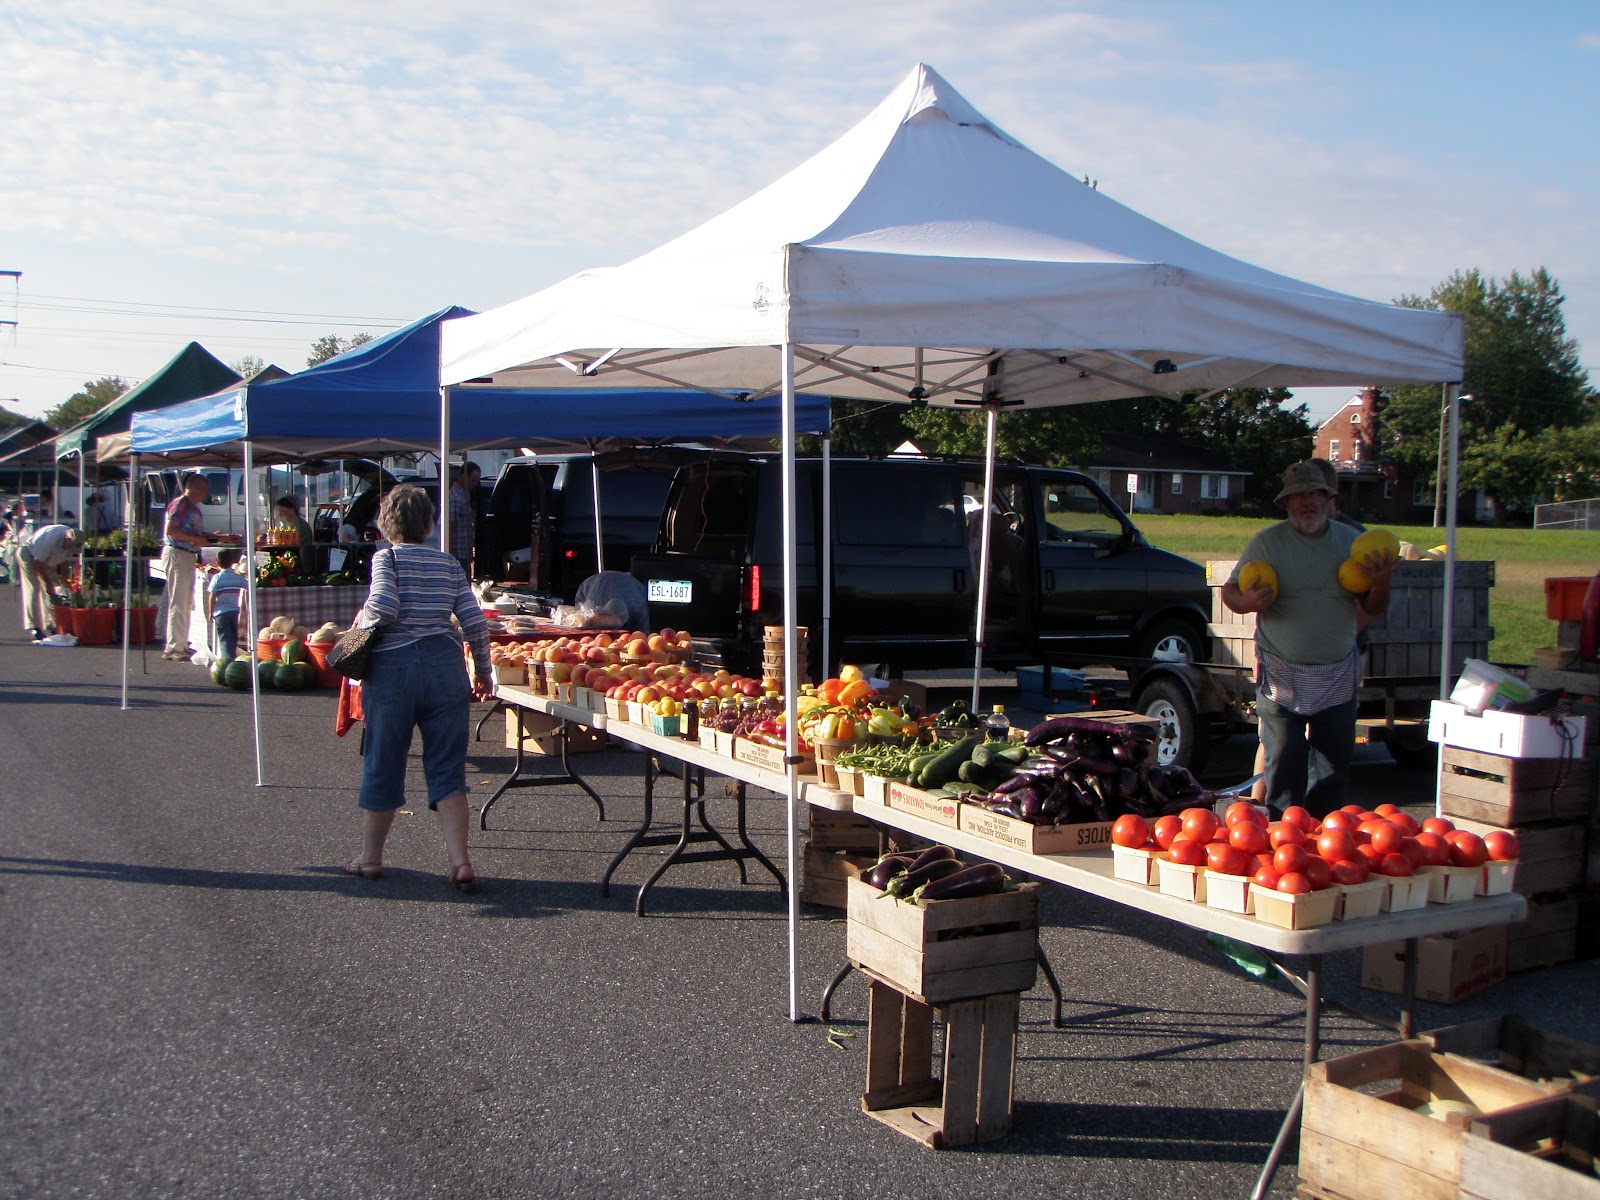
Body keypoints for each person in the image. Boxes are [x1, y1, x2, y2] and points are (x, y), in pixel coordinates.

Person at [1221, 460, 1394, 818]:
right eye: (1299, 496)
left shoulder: (1352, 543)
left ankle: (1322, 837)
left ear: (1329, 499)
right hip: (1282, 670)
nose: (1307, 503)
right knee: (1284, 756)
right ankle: (1282, 835)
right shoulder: (1268, 543)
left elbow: (1374, 606)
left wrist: (1381, 582)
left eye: (1315, 494)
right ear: (1286, 504)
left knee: (1333, 765)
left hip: (1336, 673)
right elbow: (1230, 592)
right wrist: (1247, 602)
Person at [344, 484, 493, 890]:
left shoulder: (385, 559)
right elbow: (475, 622)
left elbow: (384, 606)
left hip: (394, 668)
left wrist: (362, 622)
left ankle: (371, 858)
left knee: (384, 760)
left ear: (385, 522)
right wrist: (483, 670)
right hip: (446, 668)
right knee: (448, 767)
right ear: (429, 523)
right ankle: (460, 861)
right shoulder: (448, 564)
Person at [160, 473, 212, 660]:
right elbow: (171, 530)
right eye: (205, 489)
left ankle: (180, 644)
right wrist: (196, 539)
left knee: (185, 601)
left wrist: (215, 537)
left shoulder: (193, 509)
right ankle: (174, 647)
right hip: (177, 554)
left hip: (187, 555)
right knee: (179, 601)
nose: (206, 494)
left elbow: (191, 531)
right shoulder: (181, 505)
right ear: (196, 488)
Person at [18, 523, 83, 640]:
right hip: (29, 554)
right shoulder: (51, 539)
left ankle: (51, 624)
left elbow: (65, 559)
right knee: (34, 587)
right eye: (71, 546)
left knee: (54, 589)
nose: (72, 549)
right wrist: (47, 583)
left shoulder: (72, 542)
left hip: (48, 560)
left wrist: (65, 579)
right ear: (66, 540)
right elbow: (37, 562)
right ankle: (34, 627)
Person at [208, 548, 248, 661]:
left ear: (217, 563)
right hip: (236, 612)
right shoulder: (239, 578)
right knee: (234, 638)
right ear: (233, 562)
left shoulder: (217, 578)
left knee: (225, 638)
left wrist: (210, 612)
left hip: (221, 612)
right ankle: (232, 659)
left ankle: (227, 661)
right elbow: (249, 587)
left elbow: (212, 596)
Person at [448, 462, 480, 578]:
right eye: (473, 481)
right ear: (463, 477)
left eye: (477, 481)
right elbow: (449, 528)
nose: (475, 484)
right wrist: (451, 555)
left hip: (464, 552)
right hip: (457, 555)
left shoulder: (464, 495)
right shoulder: (456, 498)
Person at [274, 495, 317, 574]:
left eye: (282, 511)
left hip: (299, 565)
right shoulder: (284, 526)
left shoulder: (302, 526)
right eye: (279, 512)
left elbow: (304, 549)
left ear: (292, 509)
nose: (280, 514)